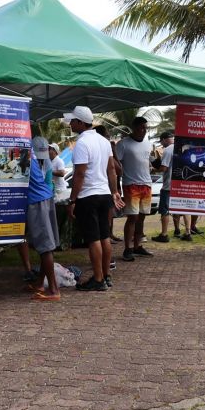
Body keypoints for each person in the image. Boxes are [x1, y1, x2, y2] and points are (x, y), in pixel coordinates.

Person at [65, 105, 124, 291]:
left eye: (73, 121)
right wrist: (114, 192)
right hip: (104, 193)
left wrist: (73, 200)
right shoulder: (104, 141)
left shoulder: (82, 143)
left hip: (88, 196)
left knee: (93, 239)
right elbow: (111, 170)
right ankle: (106, 275)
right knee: (104, 236)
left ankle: (98, 279)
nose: (70, 123)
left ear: (81, 123)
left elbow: (80, 174)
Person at [24, 136, 61, 301]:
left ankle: (53, 290)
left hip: (37, 202)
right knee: (45, 246)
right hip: (47, 198)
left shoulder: (27, 158)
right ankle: (40, 283)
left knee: (45, 247)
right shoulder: (43, 161)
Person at [115, 116, 154, 261]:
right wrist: (117, 187)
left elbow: (151, 163)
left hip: (147, 184)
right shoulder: (123, 144)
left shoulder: (148, 144)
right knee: (132, 217)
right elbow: (116, 167)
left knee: (142, 217)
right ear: (134, 127)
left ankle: (138, 246)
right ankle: (127, 249)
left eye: (145, 128)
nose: (143, 130)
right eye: (141, 127)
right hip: (131, 184)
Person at [151, 131, 192, 243]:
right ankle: (188, 232)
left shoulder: (168, 150)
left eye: (161, 141)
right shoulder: (185, 147)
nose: (161, 144)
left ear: (164, 139)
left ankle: (164, 234)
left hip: (169, 186)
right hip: (184, 185)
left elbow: (164, 168)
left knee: (165, 210)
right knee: (185, 208)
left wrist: (153, 169)